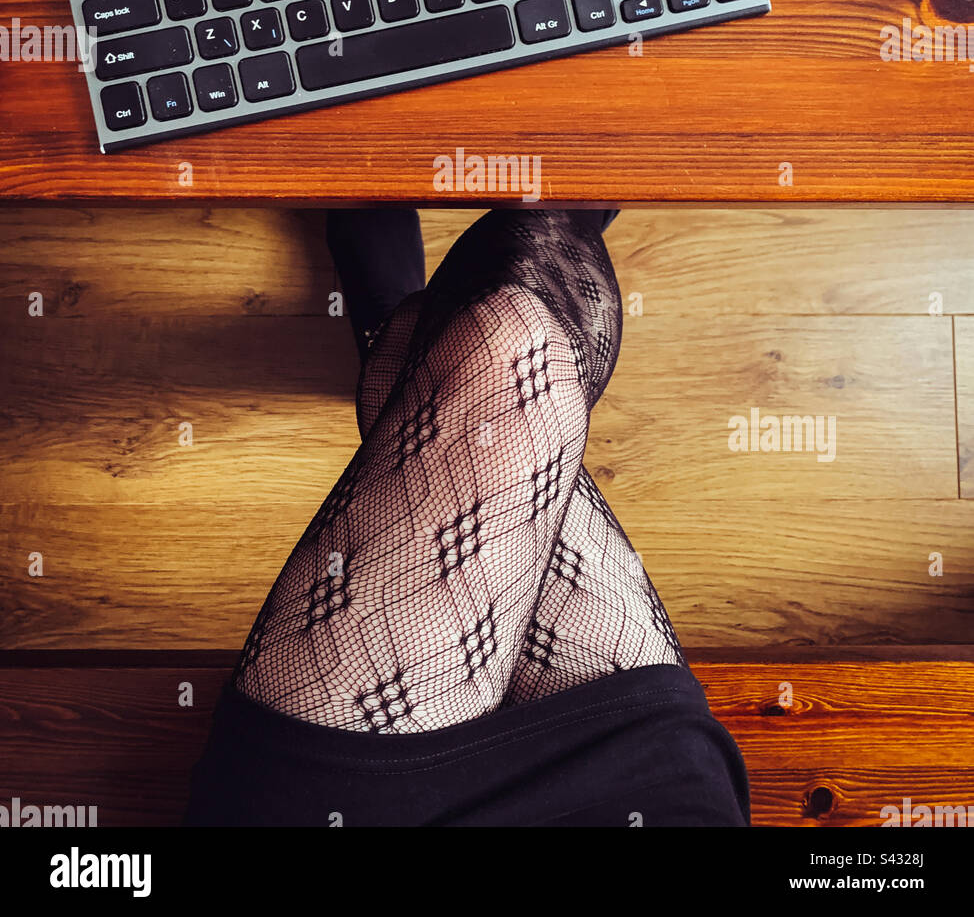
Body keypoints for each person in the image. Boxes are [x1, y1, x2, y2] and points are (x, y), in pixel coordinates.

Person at [185, 208, 749, 827]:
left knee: (507, 332)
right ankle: (399, 337)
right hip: (636, 798)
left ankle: (403, 333)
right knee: (504, 339)